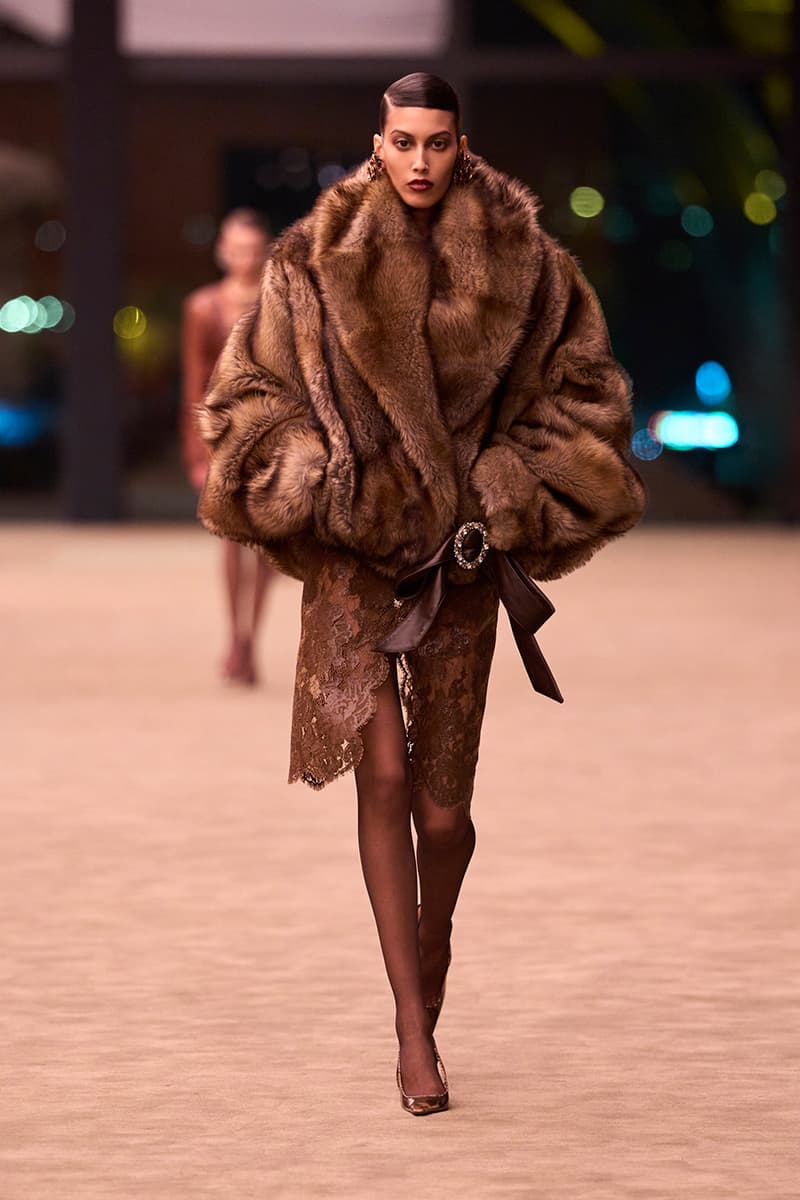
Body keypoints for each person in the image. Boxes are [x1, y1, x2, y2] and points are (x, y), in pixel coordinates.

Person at [197, 74, 646, 1114]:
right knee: (386, 783)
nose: (419, 160)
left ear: (459, 146)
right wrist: (322, 479)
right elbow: (248, 397)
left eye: (436, 142)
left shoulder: (530, 265)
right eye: (403, 141)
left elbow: (586, 404)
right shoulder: (311, 261)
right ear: (378, 142)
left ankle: (430, 947)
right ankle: (413, 1030)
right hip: (352, 561)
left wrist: (498, 492)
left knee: (444, 821)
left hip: (459, 566)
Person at [181, 208, 276, 685]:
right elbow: (194, 381)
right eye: (237, 249)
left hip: (270, 437)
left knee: (266, 546)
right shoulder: (203, 307)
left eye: (253, 250)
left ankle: (250, 638)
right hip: (221, 438)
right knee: (229, 544)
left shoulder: (278, 303)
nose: (245, 258)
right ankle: (235, 637)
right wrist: (196, 453)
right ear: (222, 251)